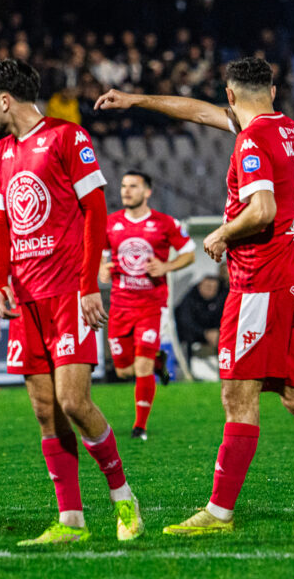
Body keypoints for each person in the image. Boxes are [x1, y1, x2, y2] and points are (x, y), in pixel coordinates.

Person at [95, 57, 294, 532]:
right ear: (269, 89)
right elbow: (198, 113)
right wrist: (139, 100)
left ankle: (218, 512)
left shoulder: (251, 139)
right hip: (293, 279)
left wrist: (222, 233)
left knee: (237, 394)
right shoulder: (284, 128)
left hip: (259, 284)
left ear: (231, 94)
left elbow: (262, 209)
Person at [0, 59, 143, 545]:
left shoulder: (68, 137)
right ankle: (70, 519)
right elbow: (2, 224)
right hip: (26, 299)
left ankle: (123, 499)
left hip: (68, 291)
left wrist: (91, 279)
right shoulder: (4, 151)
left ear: (5, 100)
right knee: (45, 410)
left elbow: (96, 209)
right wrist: (0, 284)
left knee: (74, 401)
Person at [99, 170, 195, 440]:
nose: (126, 191)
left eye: (133, 186)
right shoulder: (111, 223)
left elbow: (188, 252)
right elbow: (99, 252)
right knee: (123, 370)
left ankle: (139, 427)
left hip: (151, 305)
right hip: (119, 306)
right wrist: (102, 270)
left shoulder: (165, 223)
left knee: (140, 369)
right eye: (123, 186)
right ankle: (158, 361)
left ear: (147, 192)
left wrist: (166, 265)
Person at [174, 274, 227, 362]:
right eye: (207, 287)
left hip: (216, 333)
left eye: (214, 288)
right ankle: (187, 366)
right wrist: (204, 333)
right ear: (200, 286)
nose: (211, 290)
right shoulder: (190, 298)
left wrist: (218, 331)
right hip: (194, 333)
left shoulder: (222, 297)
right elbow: (185, 321)